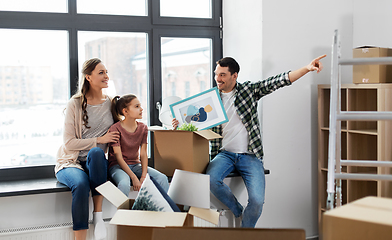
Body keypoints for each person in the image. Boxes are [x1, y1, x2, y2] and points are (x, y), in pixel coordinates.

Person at [173, 55, 326, 228]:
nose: (218, 78)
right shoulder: (211, 100)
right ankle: (238, 211)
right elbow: (193, 124)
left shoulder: (248, 91)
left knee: (257, 201)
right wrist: (180, 124)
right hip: (224, 155)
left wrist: (307, 68)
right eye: (216, 74)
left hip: (250, 156)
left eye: (222, 74)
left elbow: (278, 81)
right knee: (211, 179)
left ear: (234, 76)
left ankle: (245, 233)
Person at [55, 58, 120, 240]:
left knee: (98, 153)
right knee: (81, 185)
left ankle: (98, 216)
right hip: (71, 162)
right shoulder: (74, 104)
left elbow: (129, 126)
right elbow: (69, 143)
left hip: (95, 163)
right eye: (101, 73)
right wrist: (100, 139)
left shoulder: (111, 103)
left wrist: (173, 124)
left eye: (106, 72)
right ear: (88, 77)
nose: (106, 76)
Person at [108, 94, 169, 195]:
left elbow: (143, 154)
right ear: (125, 111)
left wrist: (144, 176)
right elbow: (118, 157)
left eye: (140, 106)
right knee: (124, 183)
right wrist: (134, 178)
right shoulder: (115, 129)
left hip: (135, 165)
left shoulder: (143, 128)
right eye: (136, 106)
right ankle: (122, 211)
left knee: (162, 178)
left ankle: (164, 210)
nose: (141, 109)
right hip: (117, 166)